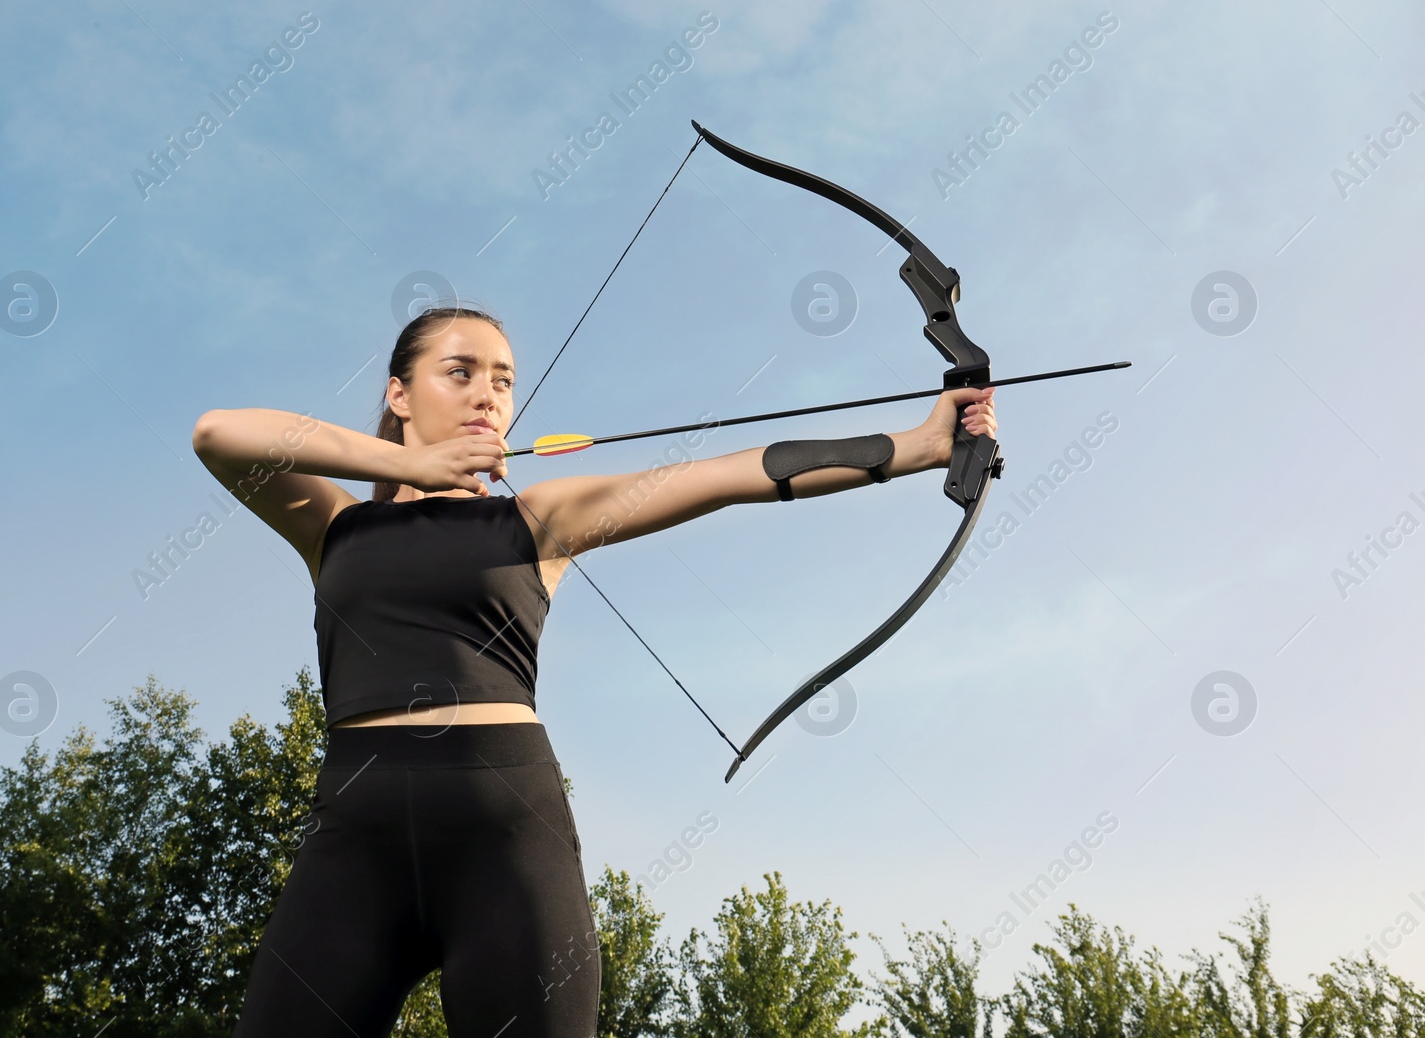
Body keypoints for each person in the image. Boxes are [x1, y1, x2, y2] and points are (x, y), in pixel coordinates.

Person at [193, 305, 997, 1037]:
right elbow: (219, 433)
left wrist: (918, 446)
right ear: (399, 394)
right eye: (461, 371)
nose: (488, 395)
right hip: (353, 838)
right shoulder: (334, 524)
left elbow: (729, 477)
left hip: (505, 836)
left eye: (504, 381)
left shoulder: (539, 518)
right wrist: (408, 462)